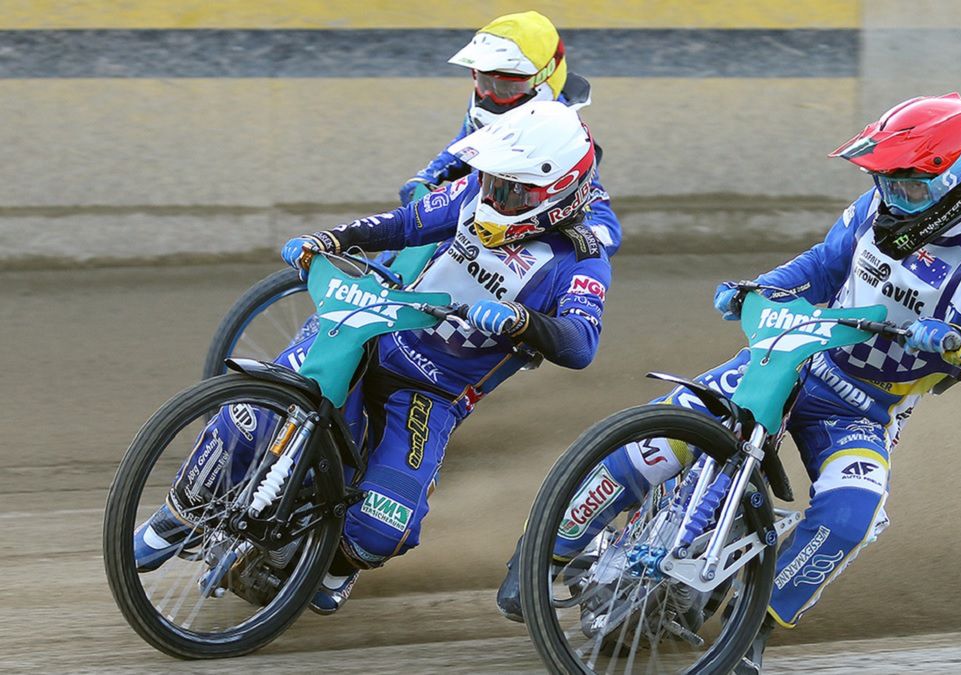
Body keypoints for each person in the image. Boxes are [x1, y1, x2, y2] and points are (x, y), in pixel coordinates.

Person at [495, 93, 961, 672]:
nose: (893, 197)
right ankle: (542, 556)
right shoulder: (869, 211)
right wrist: (758, 287)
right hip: (793, 358)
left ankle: (749, 628)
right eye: (887, 181)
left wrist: (960, 342)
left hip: (859, 415)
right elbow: (822, 266)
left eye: (910, 186)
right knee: (662, 435)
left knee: (852, 515)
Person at [132, 101, 613, 615]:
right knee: (255, 415)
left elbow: (581, 344)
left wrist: (522, 321)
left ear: (557, 195)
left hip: (431, 392)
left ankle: (334, 567)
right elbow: (404, 224)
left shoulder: (581, 260)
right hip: (370, 326)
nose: (493, 193)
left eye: (510, 188)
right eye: (492, 179)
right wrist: (333, 238)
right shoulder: (473, 193)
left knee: (384, 528)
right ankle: (177, 516)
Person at [397, 10, 622, 257]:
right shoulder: (482, 111)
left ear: (544, 78)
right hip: (475, 223)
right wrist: (429, 175)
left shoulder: (564, 139)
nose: (492, 96)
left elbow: (606, 227)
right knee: (400, 246)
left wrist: (578, 244)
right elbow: (466, 144)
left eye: (506, 87)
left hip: (514, 252)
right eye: (486, 83)